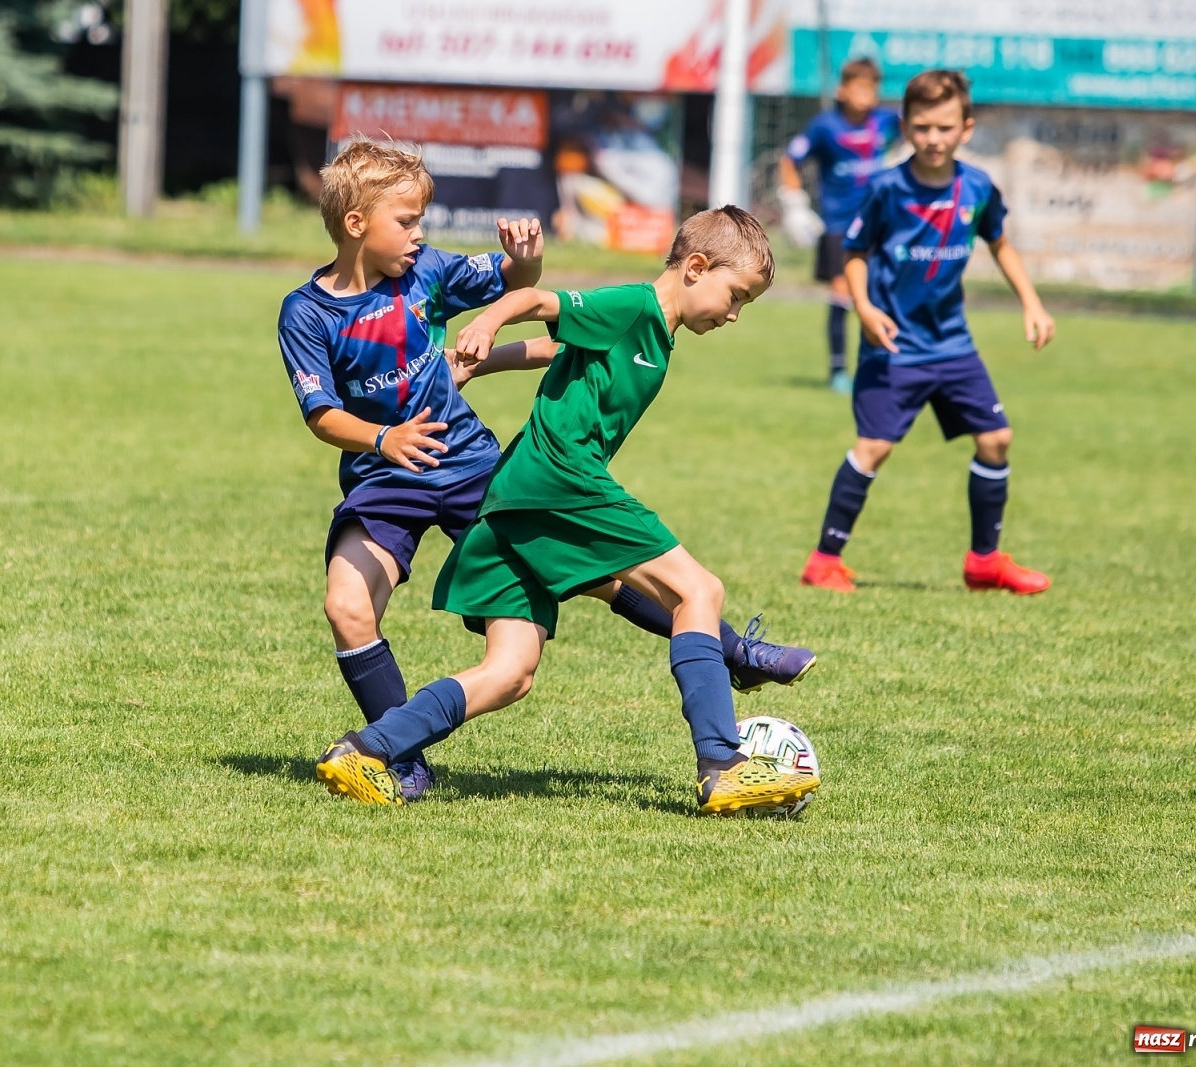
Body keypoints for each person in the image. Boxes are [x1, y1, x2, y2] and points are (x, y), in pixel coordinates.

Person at [279, 140, 815, 801]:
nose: (733, 315)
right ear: (698, 267)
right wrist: (494, 317)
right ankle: (722, 763)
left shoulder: (647, 328)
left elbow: (548, 336)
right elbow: (542, 305)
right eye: (735, 297)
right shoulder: (638, 306)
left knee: (510, 672)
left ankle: (367, 748)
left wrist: (482, 355)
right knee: (698, 590)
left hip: (494, 480)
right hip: (557, 478)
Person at [798, 70, 1056, 596]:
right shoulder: (887, 188)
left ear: (966, 127)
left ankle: (984, 562)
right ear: (905, 128)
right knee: (873, 448)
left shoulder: (977, 187)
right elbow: (854, 253)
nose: (933, 139)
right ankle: (823, 561)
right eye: (922, 128)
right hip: (895, 346)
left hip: (953, 344)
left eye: (944, 127)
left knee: (996, 439)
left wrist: (1032, 303)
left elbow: (1001, 244)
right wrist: (865, 308)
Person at [778, 57, 902, 394]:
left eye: (872, 88)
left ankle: (877, 365)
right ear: (842, 90)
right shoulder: (825, 126)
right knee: (843, 293)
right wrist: (794, 205)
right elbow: (790, 160)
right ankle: (837, 370)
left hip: (880, 223)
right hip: (839, 226)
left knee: (879, 294)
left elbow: (921, 130)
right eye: (859, 87)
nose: (866, 95)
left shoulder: (888, 122)